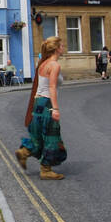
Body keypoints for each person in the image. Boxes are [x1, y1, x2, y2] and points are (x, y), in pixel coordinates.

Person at [15, 37, 67, 180]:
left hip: (39, 103)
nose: (63, 47)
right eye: (62, 45)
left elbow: (39, 87)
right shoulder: (54, 65)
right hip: (47, 102)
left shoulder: (42, 64)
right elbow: (51, 87)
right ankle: (46, 169)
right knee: (51, 136)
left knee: (38, 135)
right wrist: (55, 109)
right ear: (57, 48)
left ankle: (24, 152)